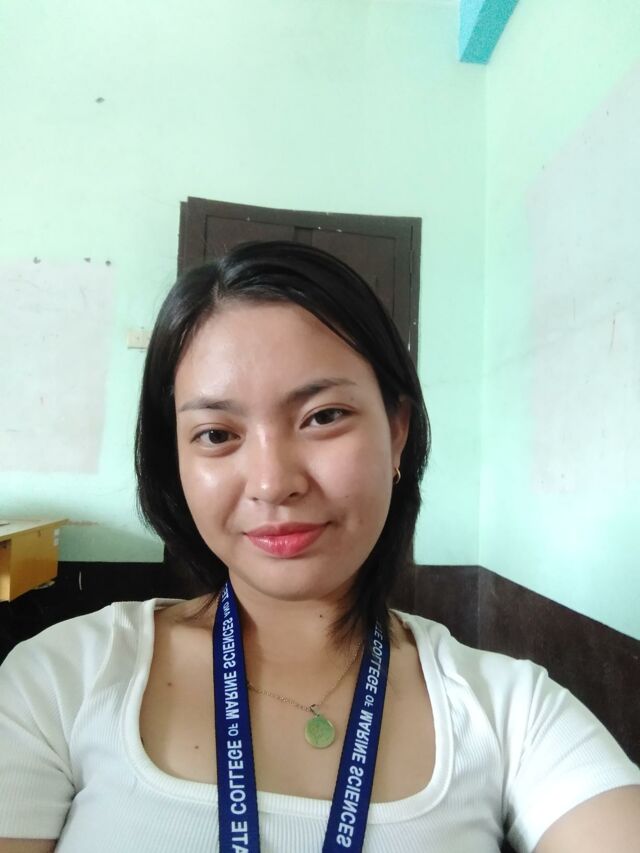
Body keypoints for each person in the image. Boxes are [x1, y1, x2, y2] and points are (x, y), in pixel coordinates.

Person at [0, 240, 638, 853]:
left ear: (397, 430)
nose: (273, 482)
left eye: (323, 416)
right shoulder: (59, 680)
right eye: (217, 434)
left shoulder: (512, 713)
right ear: (176, 461)